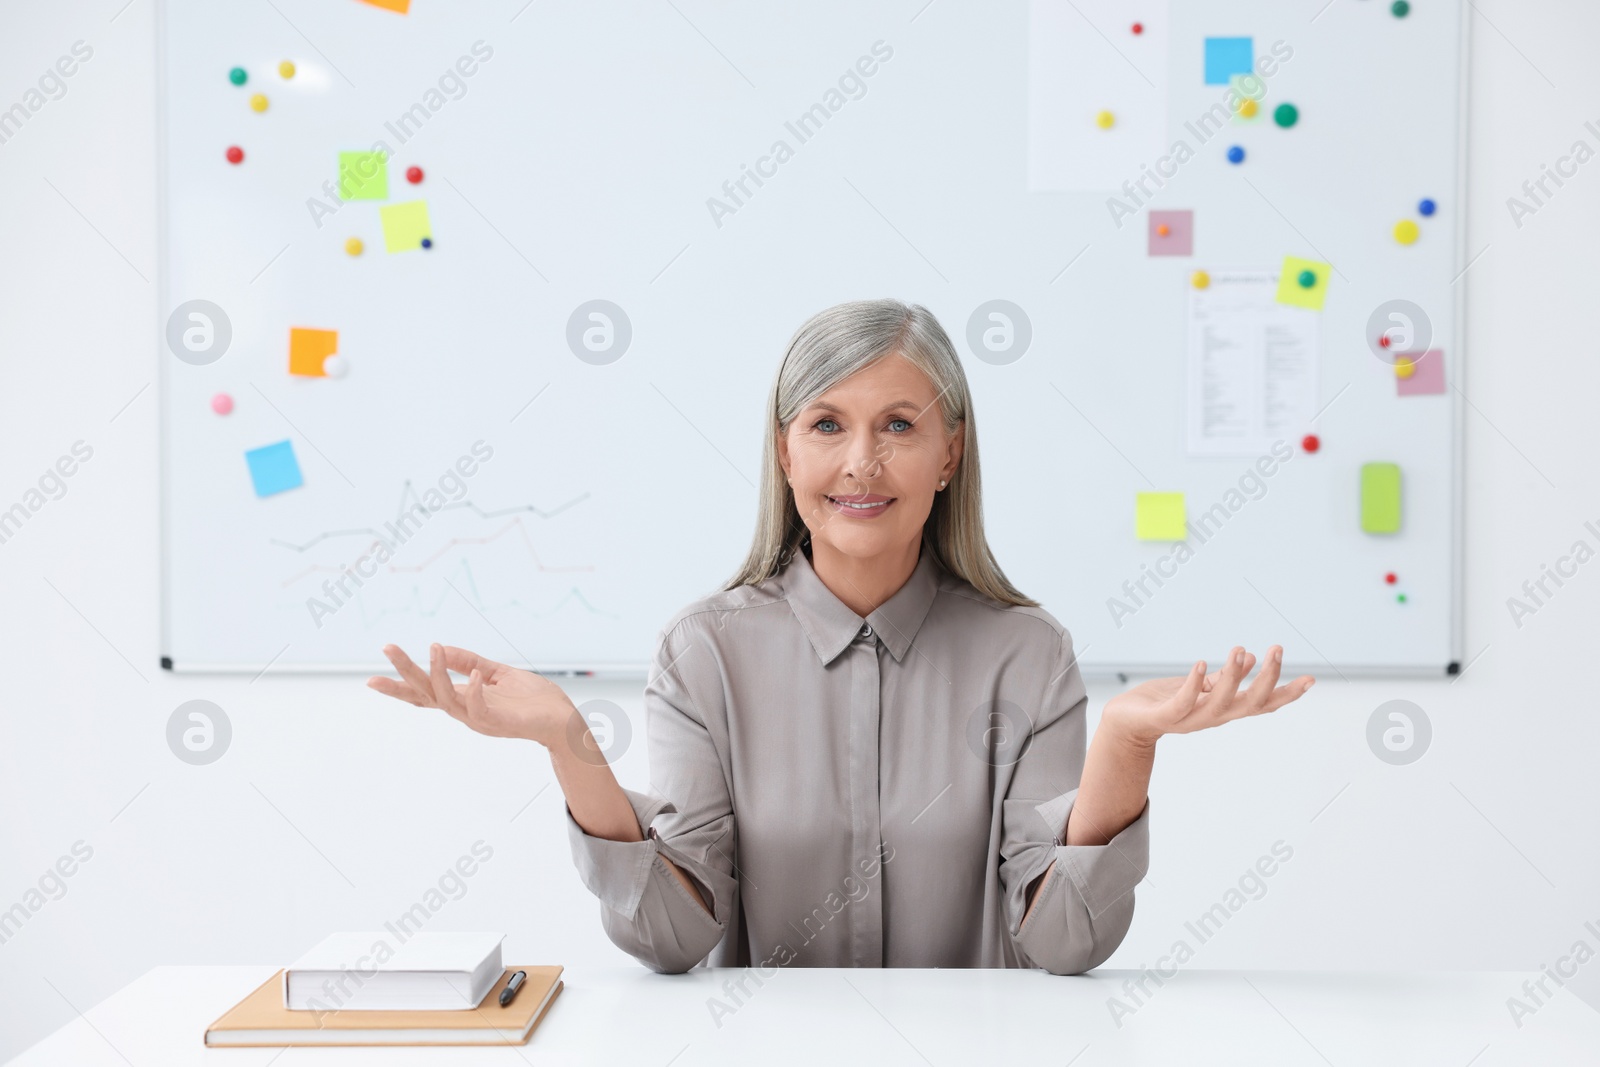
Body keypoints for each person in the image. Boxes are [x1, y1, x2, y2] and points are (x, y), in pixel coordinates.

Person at [367, 298, 1314, 975]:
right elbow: (672, 940)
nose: (861, 462)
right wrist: (569, 744)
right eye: (827, 424)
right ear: (786, 451)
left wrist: (1126, 745)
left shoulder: (1029, 654)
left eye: (899, 425)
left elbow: (1065, 943)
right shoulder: (704, 654)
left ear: (949, 453)